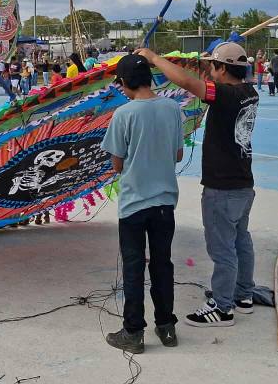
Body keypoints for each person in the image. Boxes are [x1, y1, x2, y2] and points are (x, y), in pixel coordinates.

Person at [136, 42, 259, 327]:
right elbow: (200, 79)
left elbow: (189, 83)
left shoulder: (225, 95)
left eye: (213, 67)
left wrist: (153, 57)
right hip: (243, 182)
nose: (210, 72)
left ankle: (223, 307)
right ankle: (243, 295)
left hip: (223, 186)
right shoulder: (249, 92)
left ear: (223, 68)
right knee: (241, 240)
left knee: (222, 248)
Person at [101, 54, 184, 354]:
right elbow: (178, 155)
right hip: (164, 204)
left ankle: (133, 333)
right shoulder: (172, 107)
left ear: (125, 83)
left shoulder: (124, 114)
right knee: (163, 264)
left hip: (134, 204)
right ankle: (167, 327)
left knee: (134, 268)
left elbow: (116, 163)